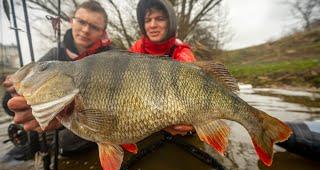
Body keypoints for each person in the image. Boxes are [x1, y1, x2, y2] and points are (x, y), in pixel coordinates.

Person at [2, 0, 113, 160]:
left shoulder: (112, 57)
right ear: (71, 21)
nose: (85, 30)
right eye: (81, 22)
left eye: (94, 27)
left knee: (65, 143)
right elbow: (9, 105)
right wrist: (14, 92)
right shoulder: (53, 57)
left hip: (94, 125)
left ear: (103, 32)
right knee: (14, 155)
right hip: (64, 124)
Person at [129, 0, 195, 135]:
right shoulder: (136, 49)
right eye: (147, 20)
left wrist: (194, 124)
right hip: (143, 119)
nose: (152, 25)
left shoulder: (183, 55)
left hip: (174, 123)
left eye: (160, 19)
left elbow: (195, 99)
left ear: (170, 23)